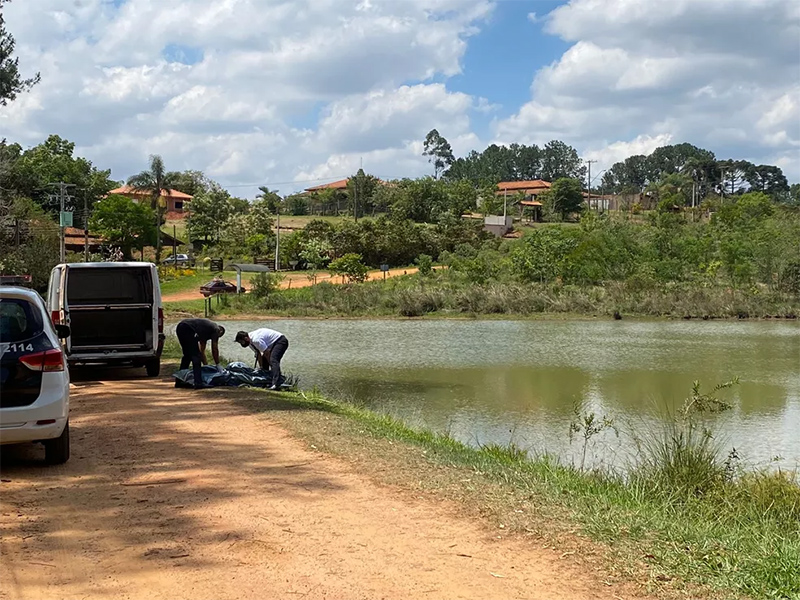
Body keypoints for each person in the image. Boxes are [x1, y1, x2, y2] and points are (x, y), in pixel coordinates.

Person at [175, 318, 225, 389]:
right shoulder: (216, 329)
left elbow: (202, 351)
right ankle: (198, 383)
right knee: (196, 356)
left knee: (187, 356)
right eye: (218, 337)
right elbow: (214, 348)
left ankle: (179, 381)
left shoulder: (205, 330)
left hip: (180, 327)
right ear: (220, 332)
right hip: (188, 328)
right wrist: (218, 365)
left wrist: (206, 365)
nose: (215, 338)